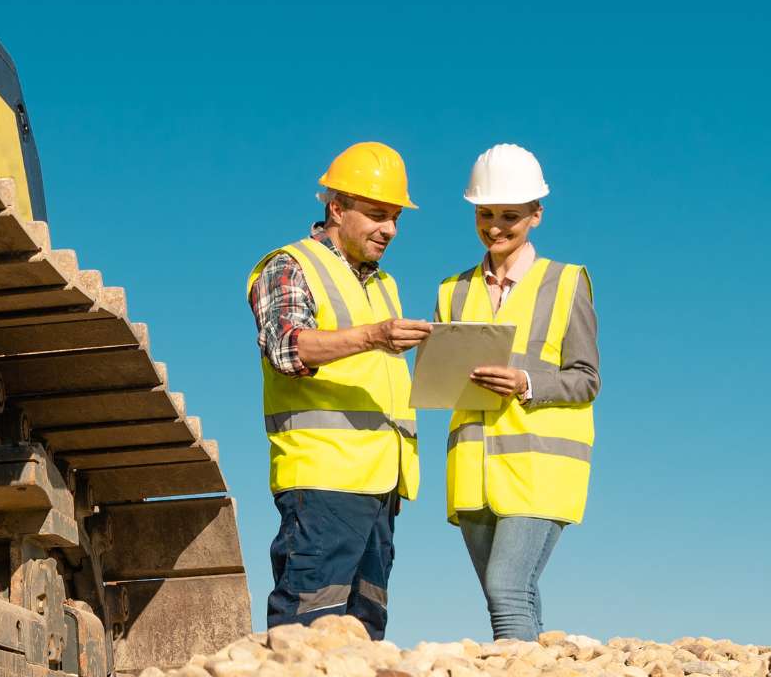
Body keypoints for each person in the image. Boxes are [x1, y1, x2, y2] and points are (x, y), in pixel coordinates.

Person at [245, 141, 432, 638]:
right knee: (308, 626)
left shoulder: (383, 284)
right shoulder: (290, 266)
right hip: (325, 478)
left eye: (394, 217)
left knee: (365, 628)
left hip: (381, 484)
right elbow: (287, 348)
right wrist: (375, 336)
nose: (389, 229)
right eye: (376, 214)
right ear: (336, 208)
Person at [434, 143, 598, 641]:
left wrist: (526, 382)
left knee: (507, 586)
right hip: (472, 469)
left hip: (540, 466)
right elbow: (443, 377)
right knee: (506, 592)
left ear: (536, 215)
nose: (496, 226)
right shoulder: (451, 291)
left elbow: (586, 378)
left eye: (510, 215)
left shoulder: (567, 283)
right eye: (485, 214)